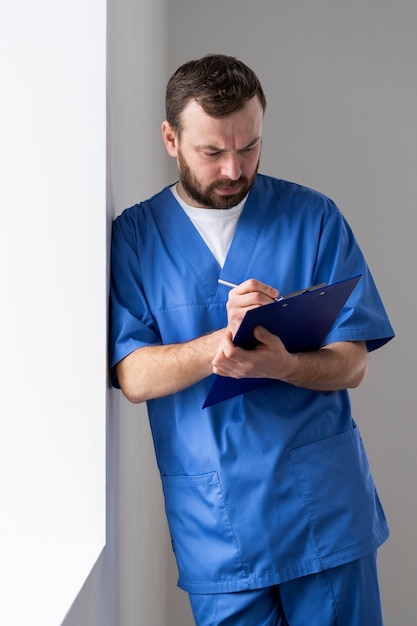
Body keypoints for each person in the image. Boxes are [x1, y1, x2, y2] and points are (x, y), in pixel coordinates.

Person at [109, 54, 395, 626]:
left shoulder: (313, 218)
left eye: (250, 147)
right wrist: (224, 342)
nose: (235, 170)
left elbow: (352, 363)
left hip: (324, 513)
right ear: (171, 138)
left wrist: (284, 365)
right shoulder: (137, 238)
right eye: (212, 152)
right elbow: (134, 376)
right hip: (217, 527)